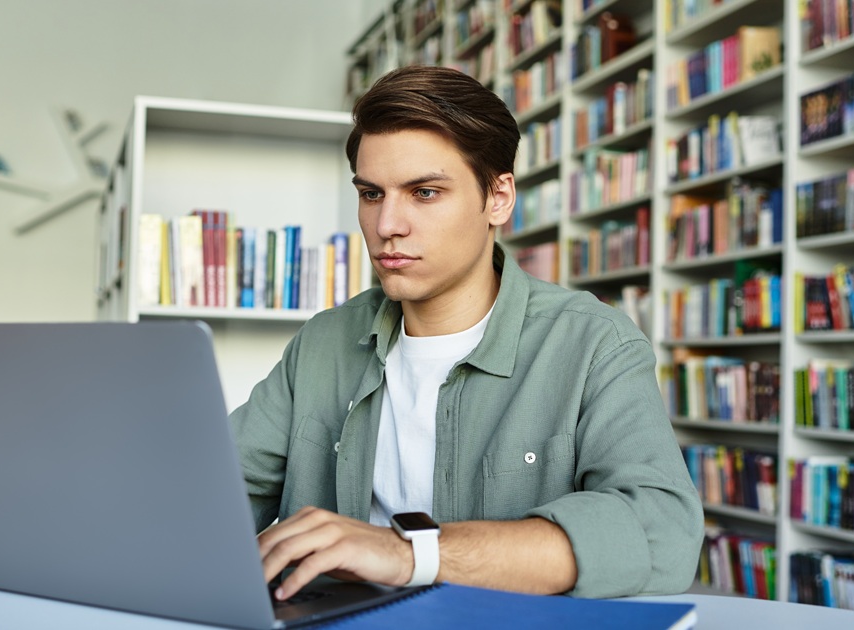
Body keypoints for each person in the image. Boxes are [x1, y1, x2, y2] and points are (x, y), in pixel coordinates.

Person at [229, 65, 702, 602]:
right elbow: (214, 500)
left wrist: (410, 553)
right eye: (371, 194)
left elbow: (662, 531)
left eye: (424, 193)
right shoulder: (321, 344)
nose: (388, 225)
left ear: (497, 198)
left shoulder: (594, 344)